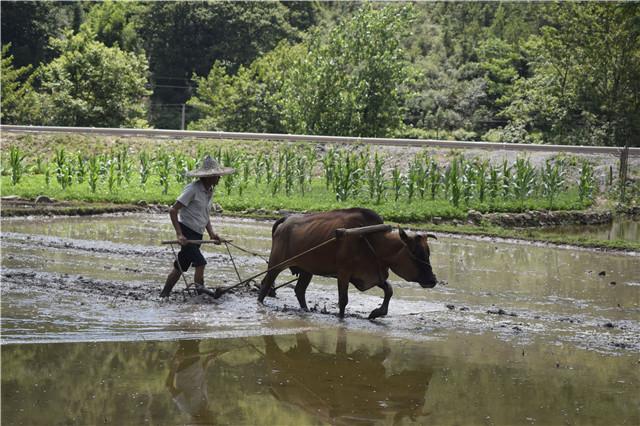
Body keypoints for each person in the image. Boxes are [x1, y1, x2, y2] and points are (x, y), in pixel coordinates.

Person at [160, 155, 234, 298]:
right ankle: (200, 294)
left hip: (197, 235)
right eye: (216, 175)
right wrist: (179, 234)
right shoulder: (193, 189)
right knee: (200, 263)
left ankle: (164, 294)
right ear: (207, 177)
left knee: (179, 267)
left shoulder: (209, 191)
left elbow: (205, 216)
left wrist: (212, 234)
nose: (219, 178)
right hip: (187, 233)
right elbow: (173, 210)